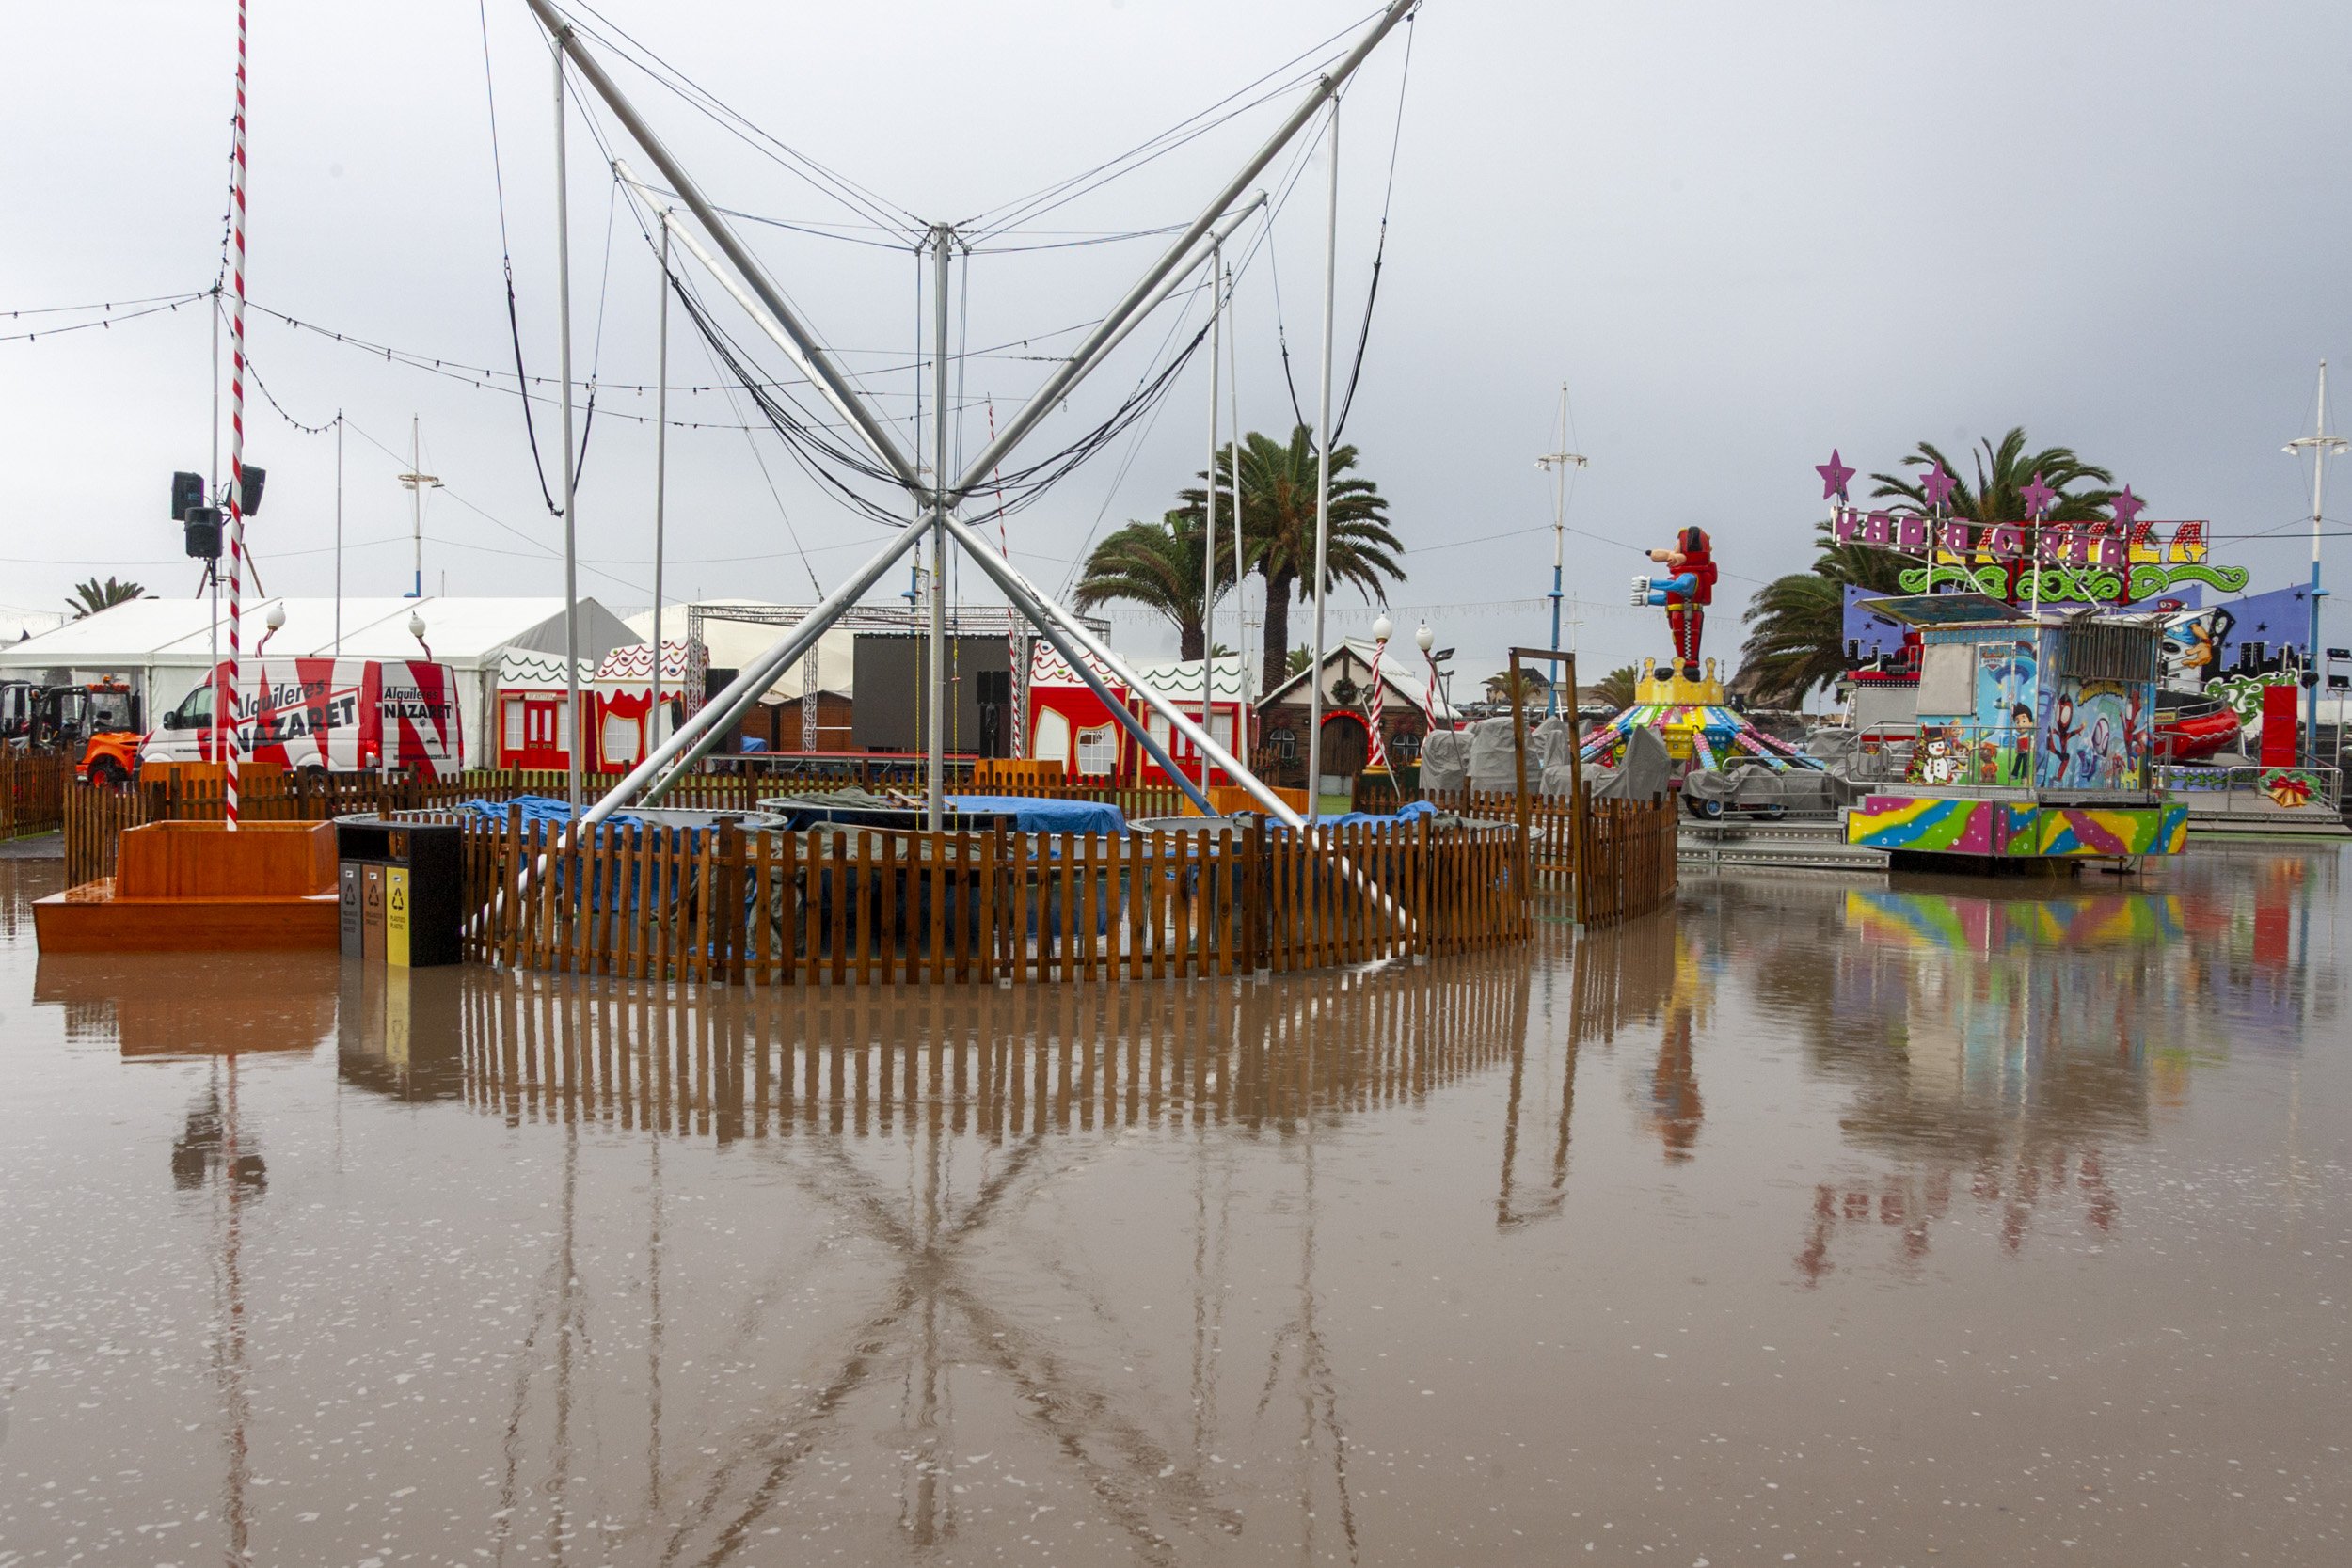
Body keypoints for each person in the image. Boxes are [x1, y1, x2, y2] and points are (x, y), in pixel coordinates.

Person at [1630, 527, 1719, 681]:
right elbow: (1668, 597)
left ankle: (1689, 667)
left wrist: (1651, 583)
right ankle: (1683, 665)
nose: (1670, 555)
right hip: (1677, 614)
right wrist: (1647, 599)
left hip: (1688, 615)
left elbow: (1680, 587)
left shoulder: (1690, 576)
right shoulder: (1680, 576)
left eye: (1677, 550)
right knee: (1679, 641)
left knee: (1688, 640)